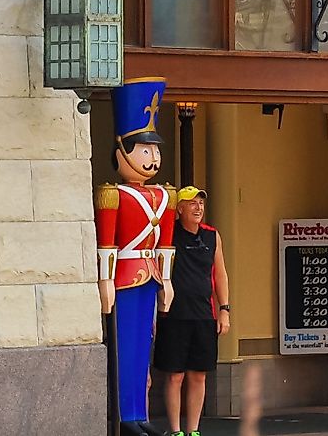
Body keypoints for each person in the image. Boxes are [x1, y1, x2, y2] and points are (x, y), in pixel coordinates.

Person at [94, 78, 177, 436]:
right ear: (121, 153)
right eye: (143, 151)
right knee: (126, 346)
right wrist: (105, 280)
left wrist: (168, 279)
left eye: (154, 151)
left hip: (152, 276)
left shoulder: (165, 195)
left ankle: (139, 411)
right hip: (125, 276)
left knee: (145, 345)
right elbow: (107, 243)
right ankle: (126, 414)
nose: (152, 158)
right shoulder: (113, 195)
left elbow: (167, 243)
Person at [155, 187, 230, 436]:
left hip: (204, 315)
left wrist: (225, 310)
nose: (198, 208)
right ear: (179, 208)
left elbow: (220, 274)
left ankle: (193, 430)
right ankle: (176, 430)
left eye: (201, 203)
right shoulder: (169, 233)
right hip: (173, 315)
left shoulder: (211, 236)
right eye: (191, 203)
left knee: (199, 376)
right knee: (175, 376)